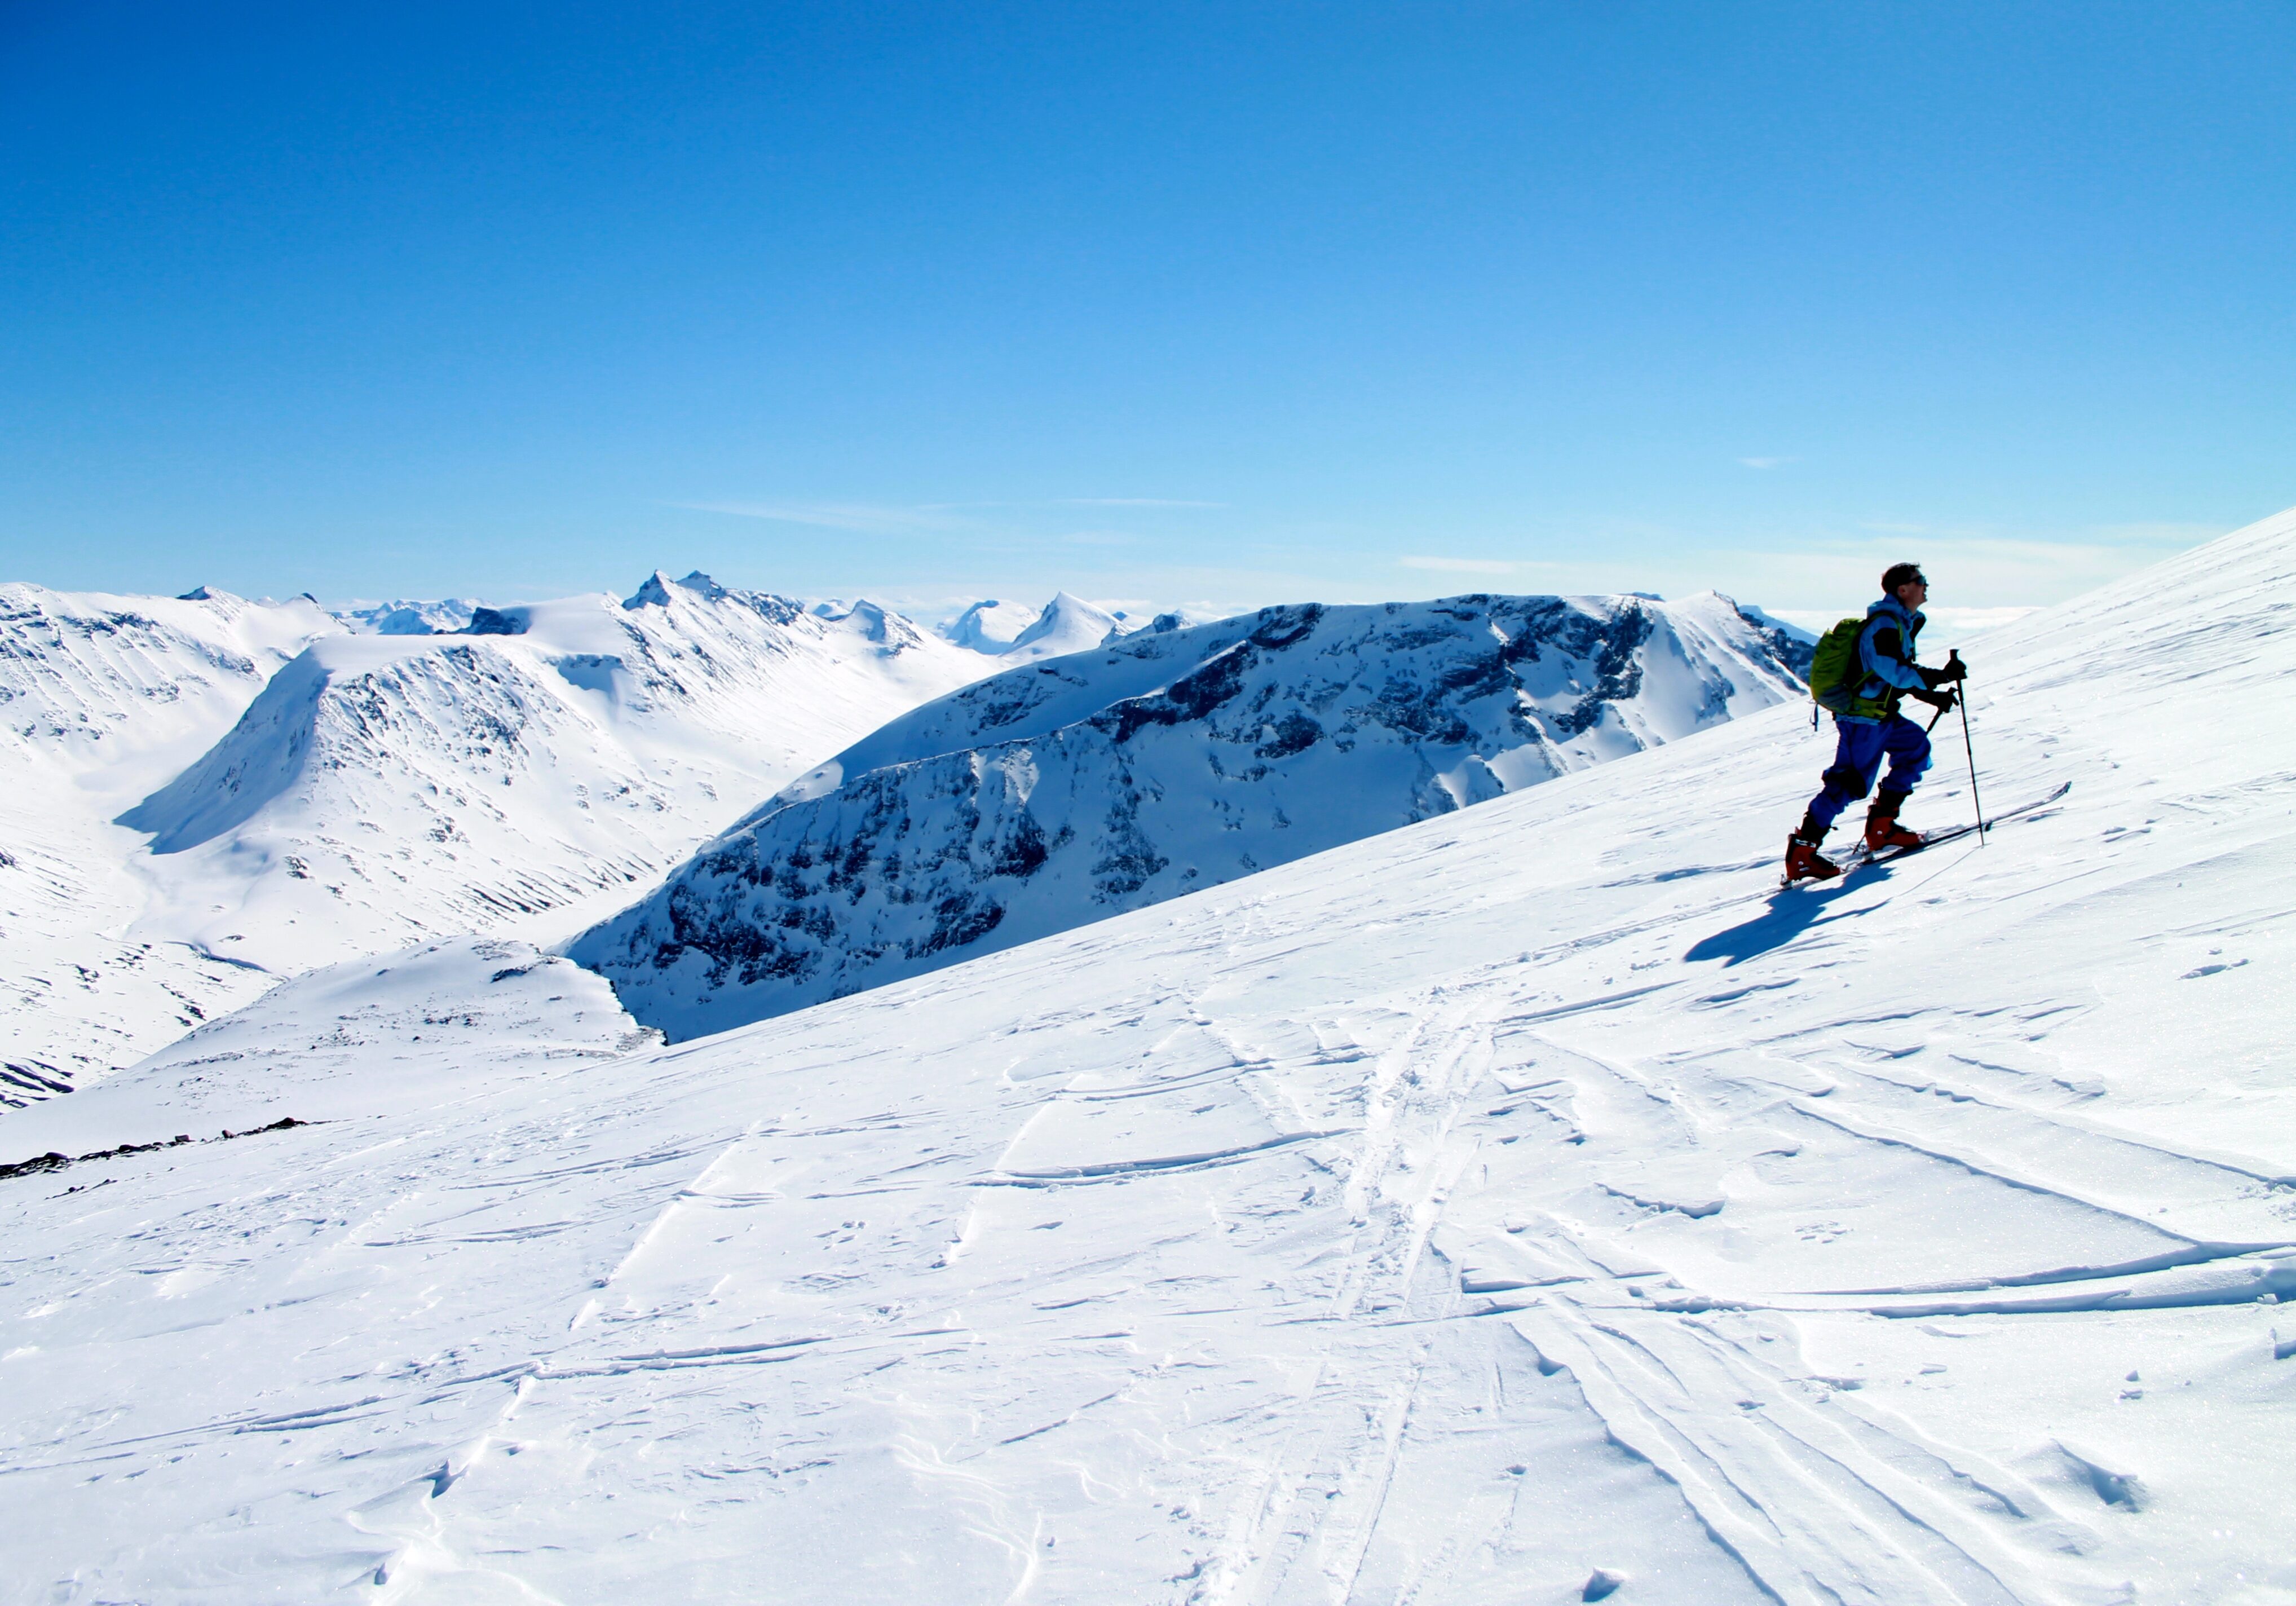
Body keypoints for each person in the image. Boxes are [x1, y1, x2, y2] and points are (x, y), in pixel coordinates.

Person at [1784, 562, 1966, 881]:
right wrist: (1938, 678)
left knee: (1915, 750)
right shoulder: (1885, 624)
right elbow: (1889, 670)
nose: (1926, 586)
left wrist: (1932, 694)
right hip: (1863, 719)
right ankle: (1803, 853)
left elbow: (1892, 676)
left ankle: (1883, 829)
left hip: (1880, 714)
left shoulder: (1900, 623)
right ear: (1903, 589)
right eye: (1920, 581)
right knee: (1849, 784)